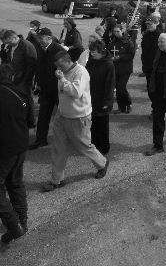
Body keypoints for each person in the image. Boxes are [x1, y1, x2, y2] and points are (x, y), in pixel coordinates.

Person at [42, 51, 109, 192]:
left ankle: (102, 163)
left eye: (60, 65)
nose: (58, 69)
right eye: (56, 66)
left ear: (67, 61)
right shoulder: (62, 71)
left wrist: (62, 79)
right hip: (62, 115)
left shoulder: (81, 72)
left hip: (79, 117)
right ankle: (57, 180)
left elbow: (75, 93)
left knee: (84, 146)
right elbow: (61, 92)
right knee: (58, 148)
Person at [0, 64, 30, 245]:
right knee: (15, 183)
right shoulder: (20, 93)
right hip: (20, 145)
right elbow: (30, 120)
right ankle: (22, 222)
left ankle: (14, 225)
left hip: (5, 150)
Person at [29, 28, 64, 150]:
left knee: (64, 115)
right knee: (43, 115)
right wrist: (38, 83)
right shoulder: (40, 49)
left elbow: (66, 68)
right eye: (38, 38)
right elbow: (39, 67)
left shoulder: (58, 49)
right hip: (45, 89)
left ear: (49, 37)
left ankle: (71, 139)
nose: (39, 40)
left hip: (58, 89)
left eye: (41, 38)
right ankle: (40, 140)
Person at [2, 30, 37, 128]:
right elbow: (10, 60)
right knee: (18, 98)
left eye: (8, 42)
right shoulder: (11, 46)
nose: (7, 44)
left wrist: (26, 80)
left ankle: (31, 121)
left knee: (27, 98)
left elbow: (31, 66)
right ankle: (21, 117)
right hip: (15, 78)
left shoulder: (26, 46)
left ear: (12, 38)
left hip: (25, 79)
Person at [86, 40, 115, 155]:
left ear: (101, 52)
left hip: (102, 99)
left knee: (102, 125)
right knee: (92, 123)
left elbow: (110, 85)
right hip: (91, 97)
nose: (92, 54)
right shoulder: (92, 61)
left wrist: (107, 102)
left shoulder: (108, 65)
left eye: (94, 52)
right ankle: (94, 144)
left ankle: (104, 148)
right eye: (91, 52)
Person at [108, 24, 135, 114]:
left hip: (125, 69)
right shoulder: (113, 41)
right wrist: (111, 57)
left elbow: (131, 55)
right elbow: (109, 51)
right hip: (115, 68)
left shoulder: (128, 42)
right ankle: (121, 107)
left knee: (121, 87)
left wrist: (119, 57)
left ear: (122, 31)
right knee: (117, 87)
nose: (116, 33)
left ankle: (128, 103)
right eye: (114, 32)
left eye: (118, 31)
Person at [141, 17, 161, 109]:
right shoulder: (146, 35)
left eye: (150, 24)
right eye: (147, 24)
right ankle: (156, 107)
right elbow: (144, 52)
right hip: (148, 67)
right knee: (150, 89)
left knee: (156, 90)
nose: (148, 26)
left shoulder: (161, 36)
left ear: (156, 23)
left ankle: (156, 109)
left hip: (157, 68)